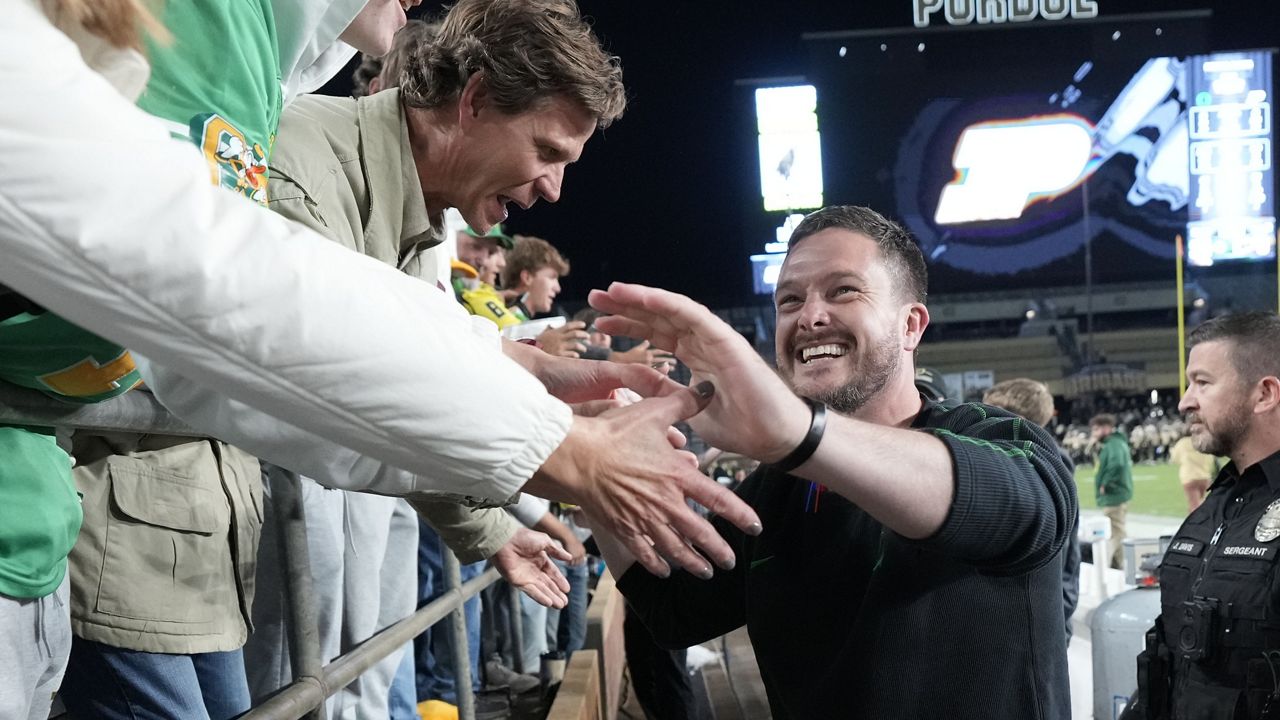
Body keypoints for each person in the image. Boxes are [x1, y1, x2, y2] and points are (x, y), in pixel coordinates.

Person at [3, 0, 759, 590]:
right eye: (548, 152)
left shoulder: (260, 59)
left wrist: (515, 373)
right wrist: (556, 445)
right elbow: (207, 274)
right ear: (474, 102)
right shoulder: (275, 94)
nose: (555, 187)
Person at [587, 205, 1076, 719]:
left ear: (911, 326)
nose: (810, 316)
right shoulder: (779, 488)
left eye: (843, 290)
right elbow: (673, 609)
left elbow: (1007, 506)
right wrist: (594, 459)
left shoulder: (1001, 438)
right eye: (789, 300)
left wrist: (800, 434)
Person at [1126, 312, 1280, 720]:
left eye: (1203, 382)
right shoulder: (1217, 505)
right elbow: (1170, 657)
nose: (1185, 400)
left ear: (1264, 394)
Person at [984, 377, 1082, 645]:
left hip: (1029, 626)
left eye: (991, 414)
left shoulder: (1029, 466)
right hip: (1046, 618)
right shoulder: (1054, 463)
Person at [1093, 413, 1134, 569]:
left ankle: (1104, 566)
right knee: (1117, 531)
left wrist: (1105, 484)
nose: (1094, 433)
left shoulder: (1113, 445)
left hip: (1114, 496)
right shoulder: (1115, 443)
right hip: (1118, 494)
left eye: (1096, 429)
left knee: (1115, 533)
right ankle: (1121, 568)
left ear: (1106, 429)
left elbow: (1117, 464)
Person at [1169, 433, 1217, 513]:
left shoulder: (1183, 442)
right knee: (1201, 502)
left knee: (1194, 504)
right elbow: (1211, 459)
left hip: (1189, 476)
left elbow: (1175, 459)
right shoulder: (1204, 441)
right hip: (1204, 476)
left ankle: (1196, 523)